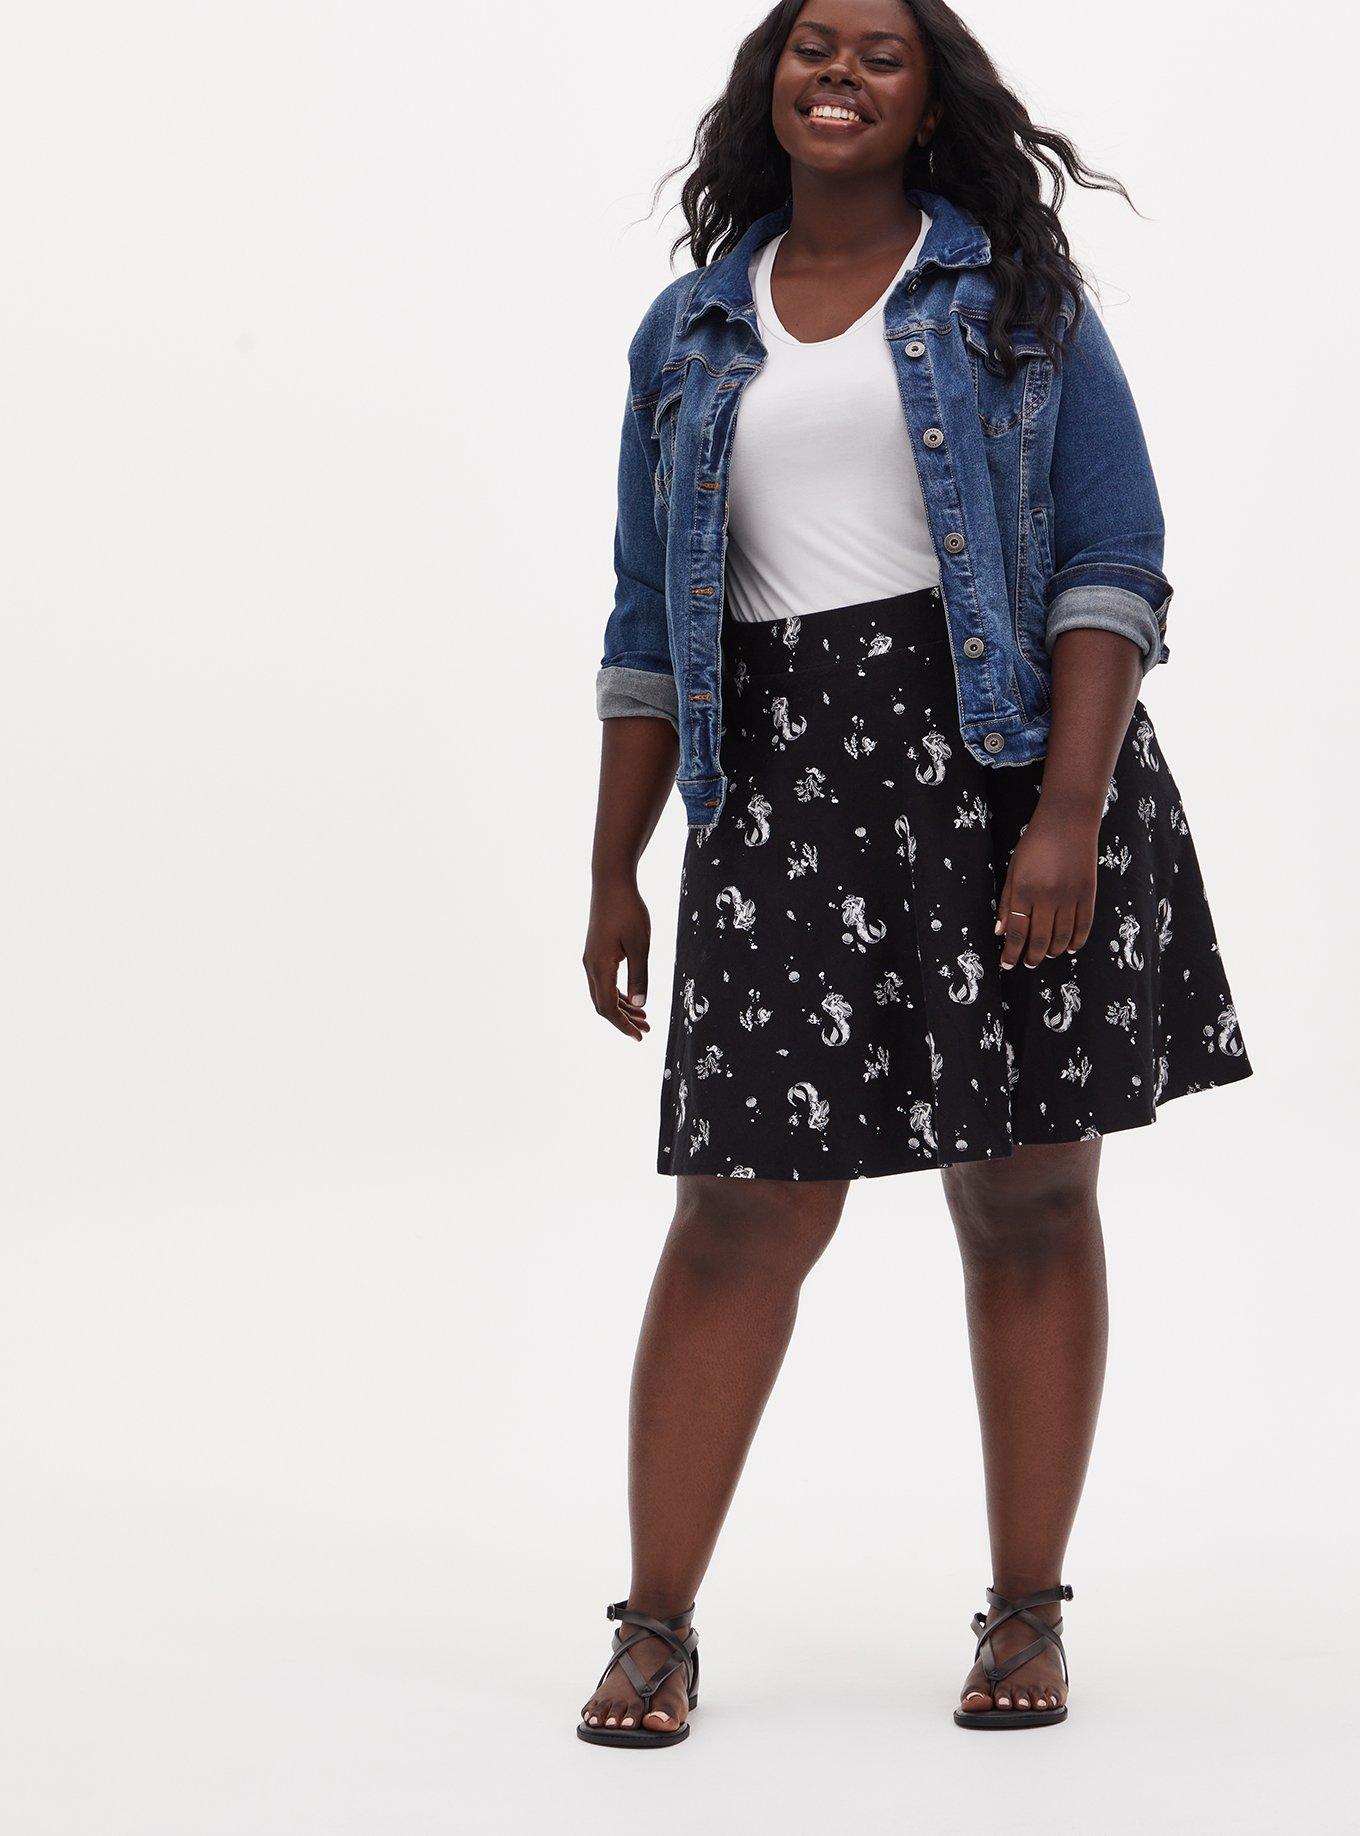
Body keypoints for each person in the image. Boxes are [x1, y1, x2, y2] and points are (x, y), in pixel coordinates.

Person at [579, 0, 1251, 1744]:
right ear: (770, 86)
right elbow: (648, 621)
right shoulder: (689, 327)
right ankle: (655, 1625)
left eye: (882, 53)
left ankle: (1027, 1612)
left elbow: (1114, 560)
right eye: (815, 47)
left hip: (1005, 776)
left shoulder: (1012, 301)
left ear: (931, 98)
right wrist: (616, 867)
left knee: (1028, 1198)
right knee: (740, 1209)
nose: (842, 74)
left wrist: (1068, 811)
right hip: (782, 793)